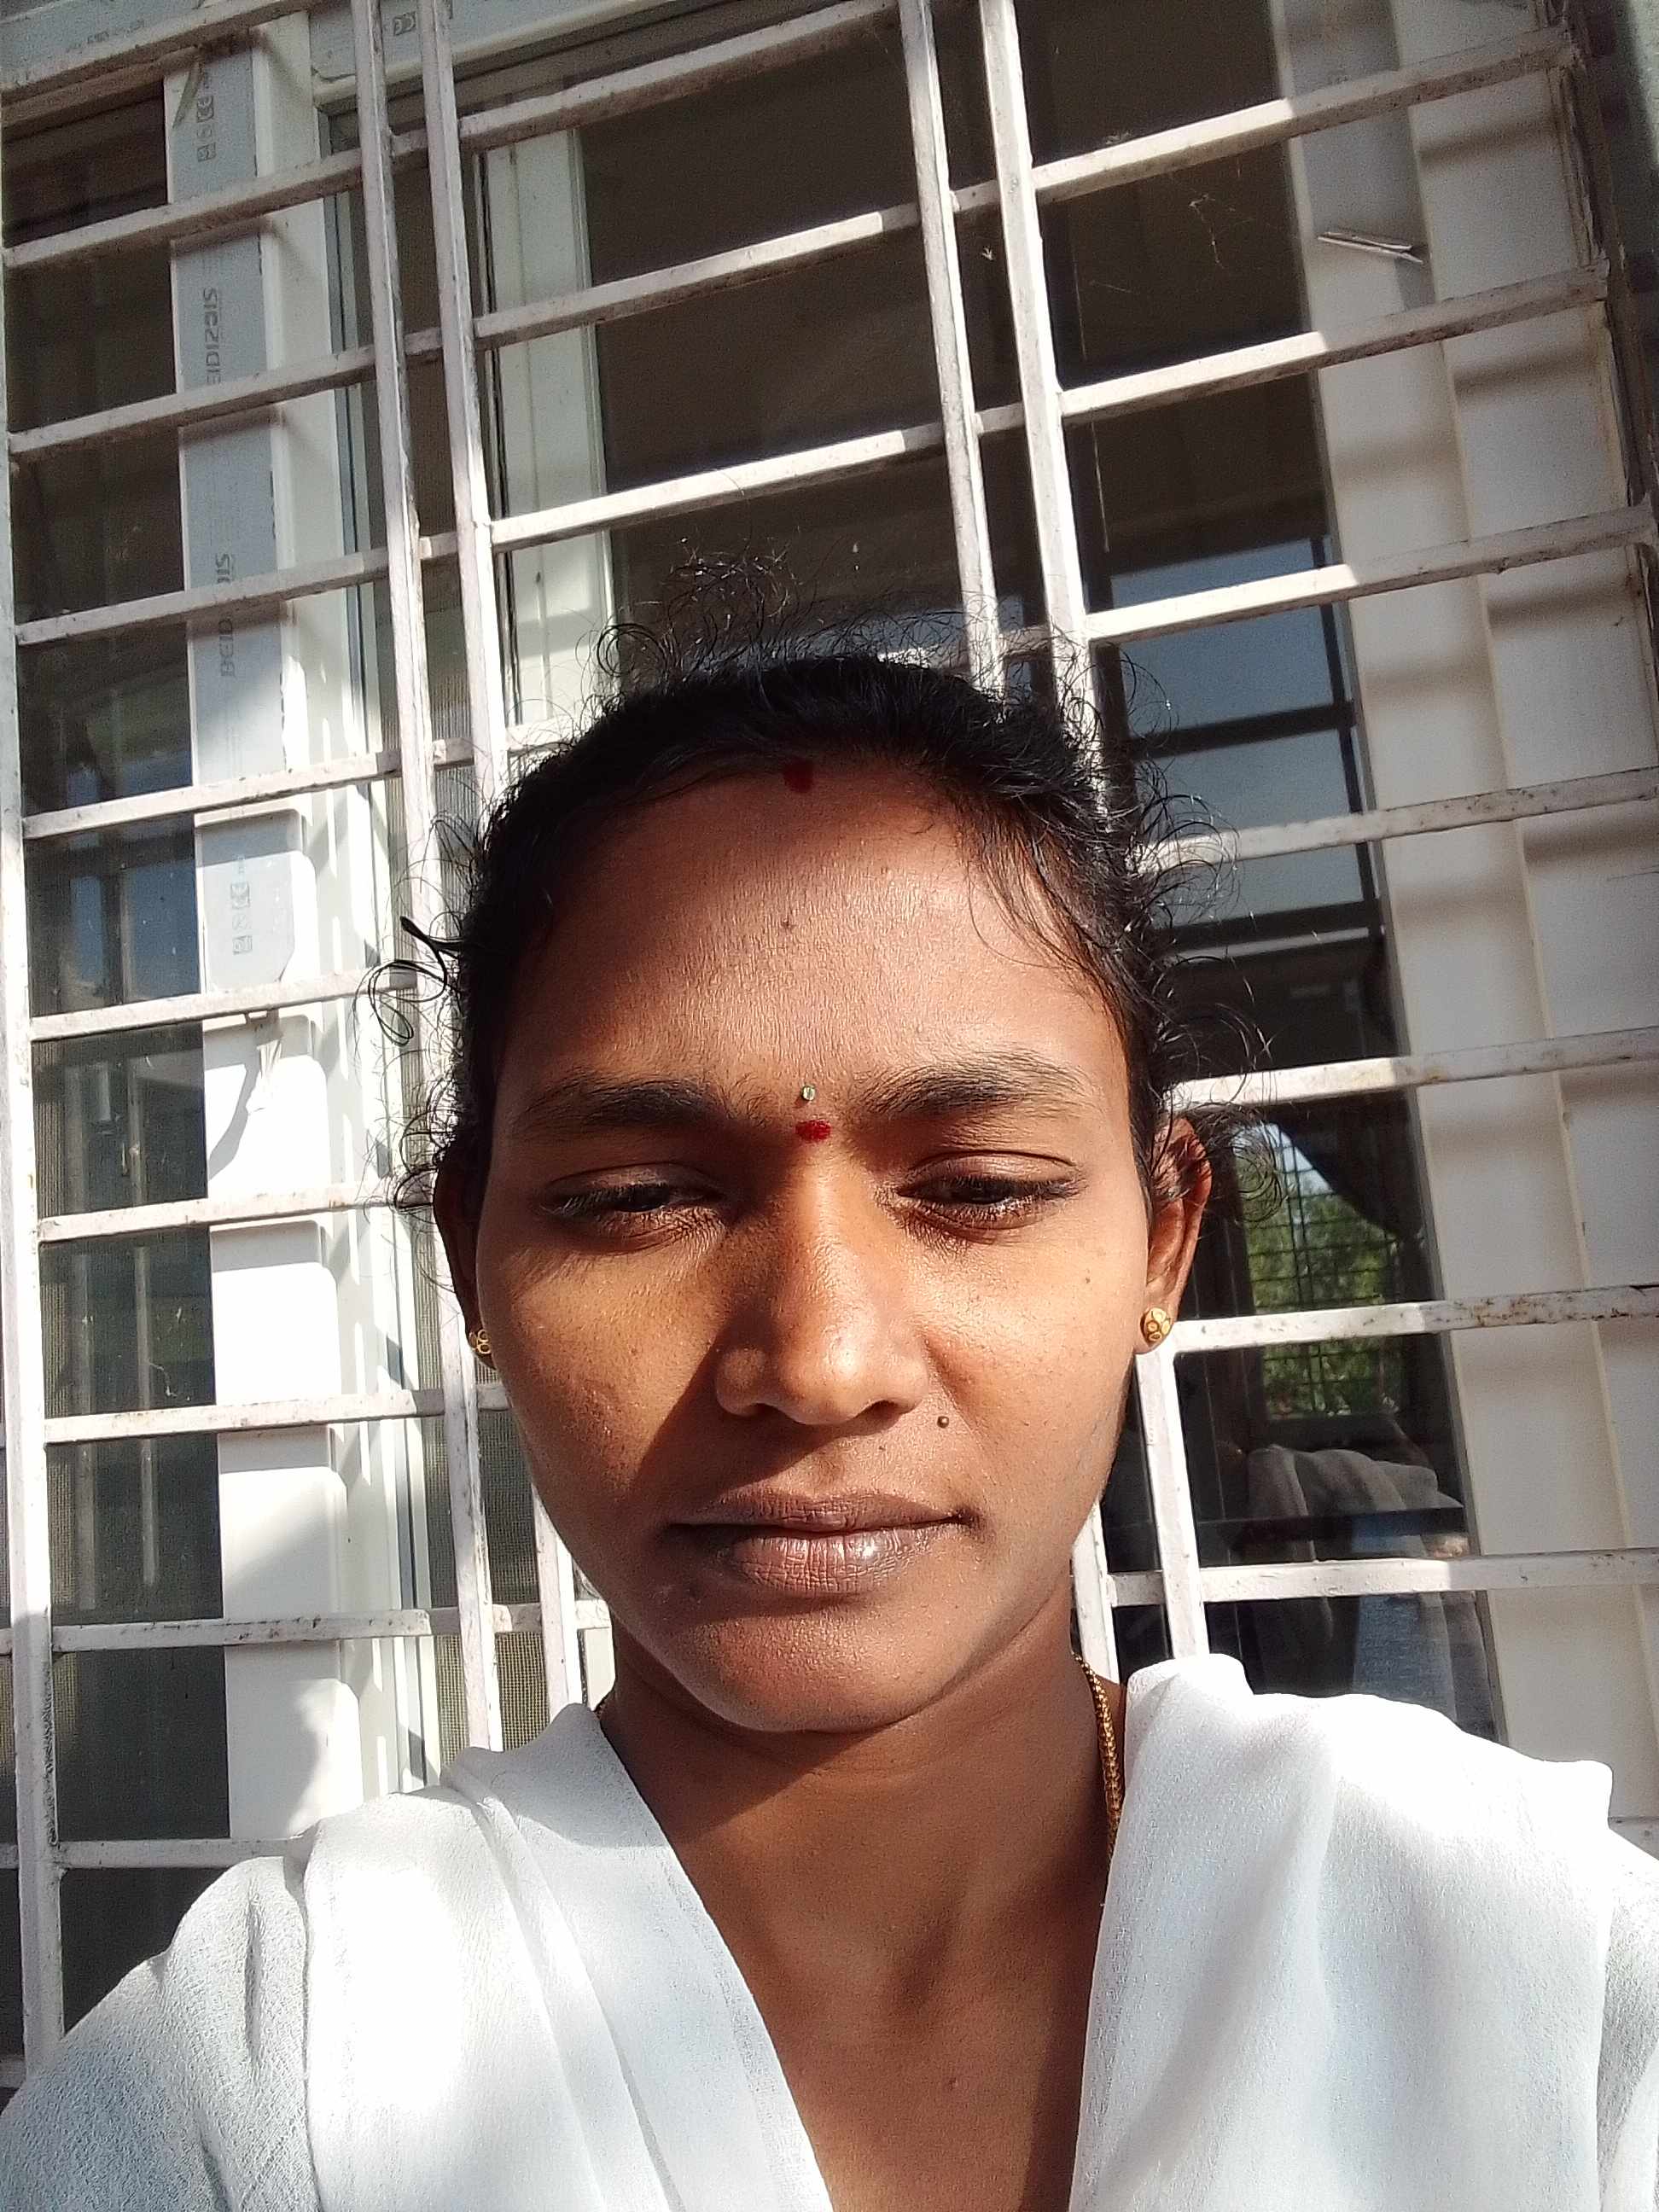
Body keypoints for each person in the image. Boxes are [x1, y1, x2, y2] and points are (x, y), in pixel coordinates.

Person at [3, 632, 1657, 2211]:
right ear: (471, 1263)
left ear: (1162, 1243)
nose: (818, 1359)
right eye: (638, 1197)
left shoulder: (1524, 1980)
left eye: (978, 1189)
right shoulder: (265, 2083)